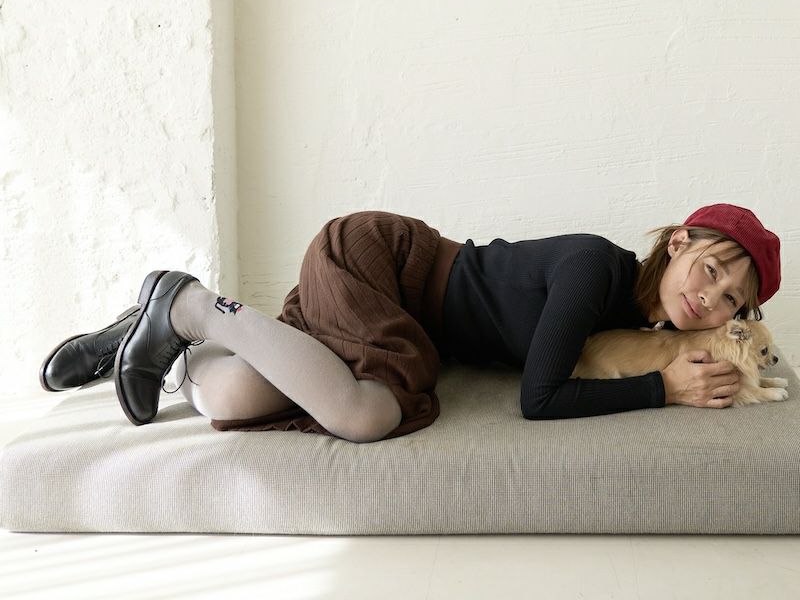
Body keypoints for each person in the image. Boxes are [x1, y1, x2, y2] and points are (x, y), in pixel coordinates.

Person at [39, 203, 781, 444]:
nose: (710, 299)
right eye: (711, 269)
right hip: (380, 264)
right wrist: (663, 392)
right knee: (368, 414)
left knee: (231, 399)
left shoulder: (643, 329)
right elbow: (540, 397)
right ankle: (190, 302)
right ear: (678, 242)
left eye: (731, 301)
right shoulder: (596, 270)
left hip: (387, 315)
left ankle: (168, 334)